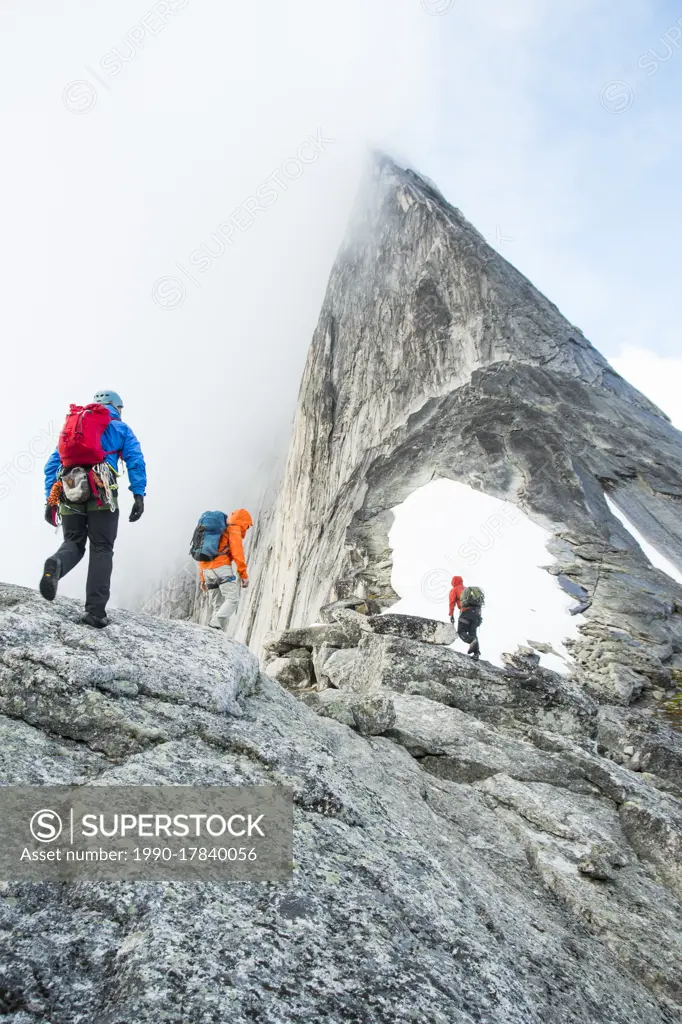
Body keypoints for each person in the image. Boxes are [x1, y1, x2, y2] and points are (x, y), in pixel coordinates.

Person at [39, 390, 147, 628]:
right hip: (101, 491)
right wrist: (138, 493)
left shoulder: (75, 427)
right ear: (116, 408)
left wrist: (51, 500)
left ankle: (56, 564)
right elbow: (135, 459)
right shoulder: (120, 428)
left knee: (74, 542)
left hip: (70, 489)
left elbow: (51, 466)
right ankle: (95, 612)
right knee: (101, 548)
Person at [198, 509, 253, 631]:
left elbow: (202, 554)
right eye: (247, 526)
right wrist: (243, 575)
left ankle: (213, 631)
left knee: (218, 605)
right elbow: (238, 554)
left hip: (207, 571)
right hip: (221, 568)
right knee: (233, 599)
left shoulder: (217, 531)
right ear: (243, 522)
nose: (247, 529)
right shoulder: (234, 530)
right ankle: (214, 623)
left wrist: (202, 578)